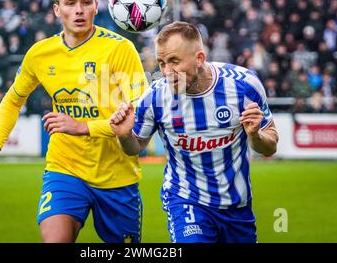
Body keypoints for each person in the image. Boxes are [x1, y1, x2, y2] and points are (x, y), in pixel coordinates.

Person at [0, 0, 148, 243]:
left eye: (86, 2)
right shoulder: (40, 54)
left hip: (117, 175)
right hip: (65, 168)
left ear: (96, 6)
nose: (79, 10)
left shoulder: (120, 49)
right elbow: (13, 99)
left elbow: (142, 112)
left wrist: (83, 127)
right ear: (56, 9)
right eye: (70, 3)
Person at [109, 21, 278, 243]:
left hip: (237, 207)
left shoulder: (243, 85)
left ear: (199, 58)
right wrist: (124, 135)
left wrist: (255, 135)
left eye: (174, 61)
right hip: (185, 199)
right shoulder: (155, 97)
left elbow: (270, 145)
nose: (167, 72)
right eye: (161, 63)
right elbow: (135, 147)